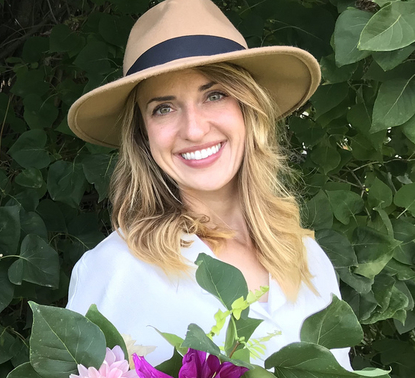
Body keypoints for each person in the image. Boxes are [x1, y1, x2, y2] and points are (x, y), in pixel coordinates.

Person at [65, 0, 351, 370]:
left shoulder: (309, 260)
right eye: (163, 108)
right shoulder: (114, 270)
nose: (194, 129)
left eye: (215, 95)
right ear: (143, 135)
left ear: (249, 109)